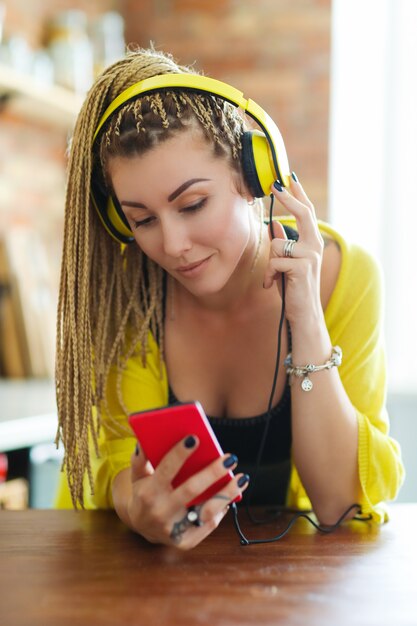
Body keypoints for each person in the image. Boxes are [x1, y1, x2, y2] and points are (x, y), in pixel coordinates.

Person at [55, 46, 404, 549]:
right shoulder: (130, 295)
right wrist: (139, 508)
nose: (172, 246)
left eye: (193, 204)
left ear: (254, 175)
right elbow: (118, 465)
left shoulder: (344, 277)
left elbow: (338, 505)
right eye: (143, 220)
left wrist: (306, 318)